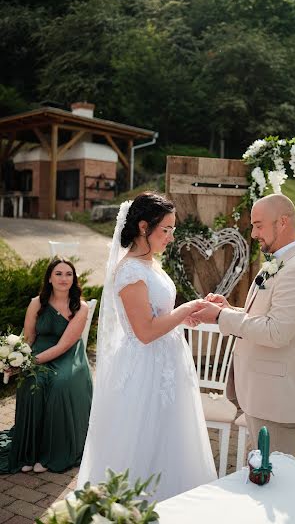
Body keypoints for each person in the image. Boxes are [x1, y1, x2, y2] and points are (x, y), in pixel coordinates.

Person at [77, 192, 216, 501]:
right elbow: (144, 331)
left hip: (167, 364)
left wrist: (184, 317)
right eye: (165, 229)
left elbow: (159, 315)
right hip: (144, 368)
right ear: (143, 227)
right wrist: (185, 309)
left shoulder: (151, 264)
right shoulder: (129, 271)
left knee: (171, 441)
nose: (170, 236)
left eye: (172, 229)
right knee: (144, 441)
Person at [195, 194, 295, 456]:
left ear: (283, 222)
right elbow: (265, 316)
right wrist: (229, 310)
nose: (253, 234)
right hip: (258, 393)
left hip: (275, 400)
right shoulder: (277, 263)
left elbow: (276, 332)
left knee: (273, 478)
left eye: (259, 225)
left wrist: (220, 318)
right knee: (259, 474)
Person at [0, 258, 92, 474]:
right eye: (58, 274)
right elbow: (29, 337)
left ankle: (52, 454)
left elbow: (63, 345)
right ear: (49, 278)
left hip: (69, 355)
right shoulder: (36, 303)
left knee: (60, 384)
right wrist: (15, 358)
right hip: (39, 350)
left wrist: (29, 362)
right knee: (33, 382)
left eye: (68, 274)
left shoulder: (81, 307)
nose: (63, 278)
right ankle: (27, 452)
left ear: (74, 279)